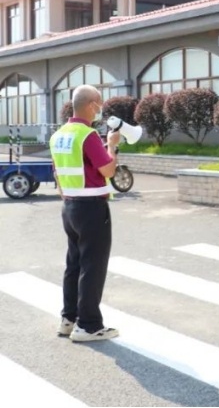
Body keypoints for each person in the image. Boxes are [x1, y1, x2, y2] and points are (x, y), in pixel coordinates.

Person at [50, 84, 121, 341]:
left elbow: (57, 174)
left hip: (69, 206)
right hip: (92, 207)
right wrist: (112, 145)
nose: (100, 108)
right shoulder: (87, 135)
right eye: (99, 103)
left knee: (74, 263)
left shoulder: (58, 135)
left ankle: (68, 319)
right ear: (91, 105)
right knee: (93, 266)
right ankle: (89, 325)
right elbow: (108, 170)